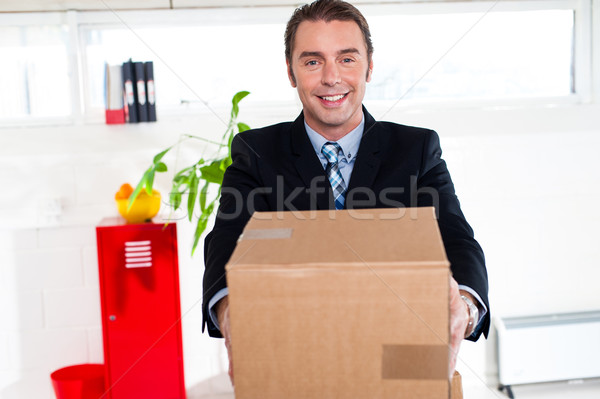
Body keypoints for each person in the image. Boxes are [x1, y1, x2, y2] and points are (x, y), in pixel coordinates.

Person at [202, 0, 489, 384]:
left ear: (370, 66)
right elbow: (225, 241)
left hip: (397, 360)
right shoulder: (256, 153)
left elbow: (457, 240)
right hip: (292, 361)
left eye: (347, 59)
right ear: (291, 72)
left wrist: (465, 307)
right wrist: (230, 311)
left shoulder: (416, 150)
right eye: (312, 61)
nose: (331, 78)